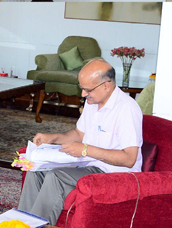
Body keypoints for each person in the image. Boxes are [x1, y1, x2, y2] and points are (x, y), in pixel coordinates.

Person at [18, 59, 143, 225]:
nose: (83, 94)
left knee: (56, 176)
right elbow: (79, 134)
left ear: (106, 85)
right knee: (35, 170)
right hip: (88, 164)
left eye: (87, 89)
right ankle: (22, 223)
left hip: (116, 174)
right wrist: (53, 138)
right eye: (82, 88)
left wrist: (85, 150)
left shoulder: (127, 109)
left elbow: (129, 159)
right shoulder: (93, 101)